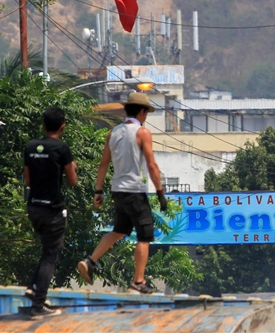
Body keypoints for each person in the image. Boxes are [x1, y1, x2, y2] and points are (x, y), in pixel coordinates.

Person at [77, 92, 167, 294]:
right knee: (144, 235)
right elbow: (152, 165)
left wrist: (98, 190)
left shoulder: (113, 133)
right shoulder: (142, 133)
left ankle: (90, 261)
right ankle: (138, 281)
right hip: (134, 190)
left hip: (117, 190)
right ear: (142, 111)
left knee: (119, 230)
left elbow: (103, 164)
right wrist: (160, 192)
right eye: (146, 113)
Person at [23, 107, 78, 317]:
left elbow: (28, 180)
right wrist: (72, 167)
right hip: (53, 210)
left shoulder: (30, 147)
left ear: (43, 125)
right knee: (50, 256)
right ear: (62, 127)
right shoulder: (62, 148)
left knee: (47, 251)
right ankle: (38, 306)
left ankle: (33, 288)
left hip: (34, 207)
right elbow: (72, 181)